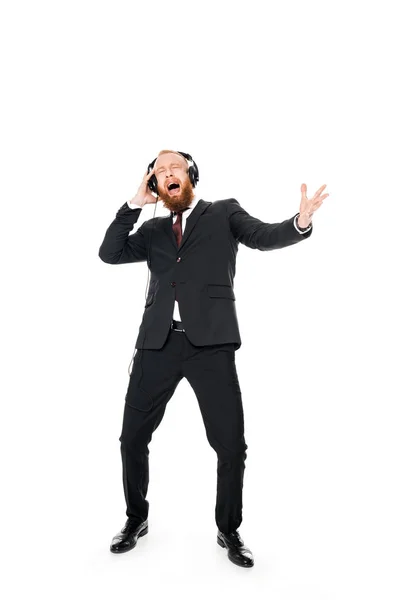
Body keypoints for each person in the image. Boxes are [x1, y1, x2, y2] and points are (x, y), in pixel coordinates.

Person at [98, 149, 329, 568]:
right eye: (159, 172)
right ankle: (136, 519)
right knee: (131, 438)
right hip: (157, 345)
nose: (168, 174)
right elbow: (109, 253)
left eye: (175, 168)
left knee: (230, 445)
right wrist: (133, 203)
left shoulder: (223, 213)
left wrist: (301, 223)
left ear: (192, 175)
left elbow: (264, 236)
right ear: (154, 184)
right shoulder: (151, 230)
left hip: (211, 347)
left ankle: (229, 529)